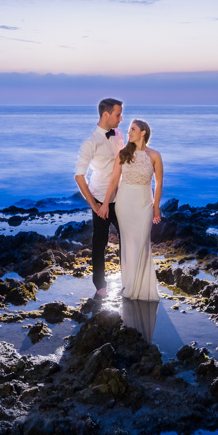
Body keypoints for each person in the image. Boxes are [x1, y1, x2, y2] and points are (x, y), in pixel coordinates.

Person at [98, 119, 163, 301]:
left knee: (142, 242)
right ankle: (130, 285)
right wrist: (104, 204)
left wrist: (156, 207)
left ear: (143, 132)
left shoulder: (154, 156)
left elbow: (158, 184)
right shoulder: (123, 154)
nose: (129, 133)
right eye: (129, 130)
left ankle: (141, 287)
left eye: (133, 129)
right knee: (128, 244)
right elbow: (113, 181)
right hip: (124, 203)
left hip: (144, 204)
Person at [74, 98, 124, 298]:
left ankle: (128, 280)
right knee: (100, 243)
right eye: (118, 114)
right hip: (101, 201)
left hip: (122, 198)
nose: (121, 118)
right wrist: (94, 204)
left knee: (127, 241)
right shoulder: (90, 142)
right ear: (106, 114)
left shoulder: (119, 134)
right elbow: (79, 176)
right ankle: (101, 287)